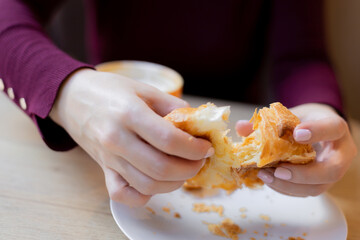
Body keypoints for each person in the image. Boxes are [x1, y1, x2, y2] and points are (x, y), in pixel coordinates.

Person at [0, 0, 357, 207]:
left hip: (238, 124)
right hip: (95, 153)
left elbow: (301, 56)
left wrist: (320, 111)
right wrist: (68, 90)